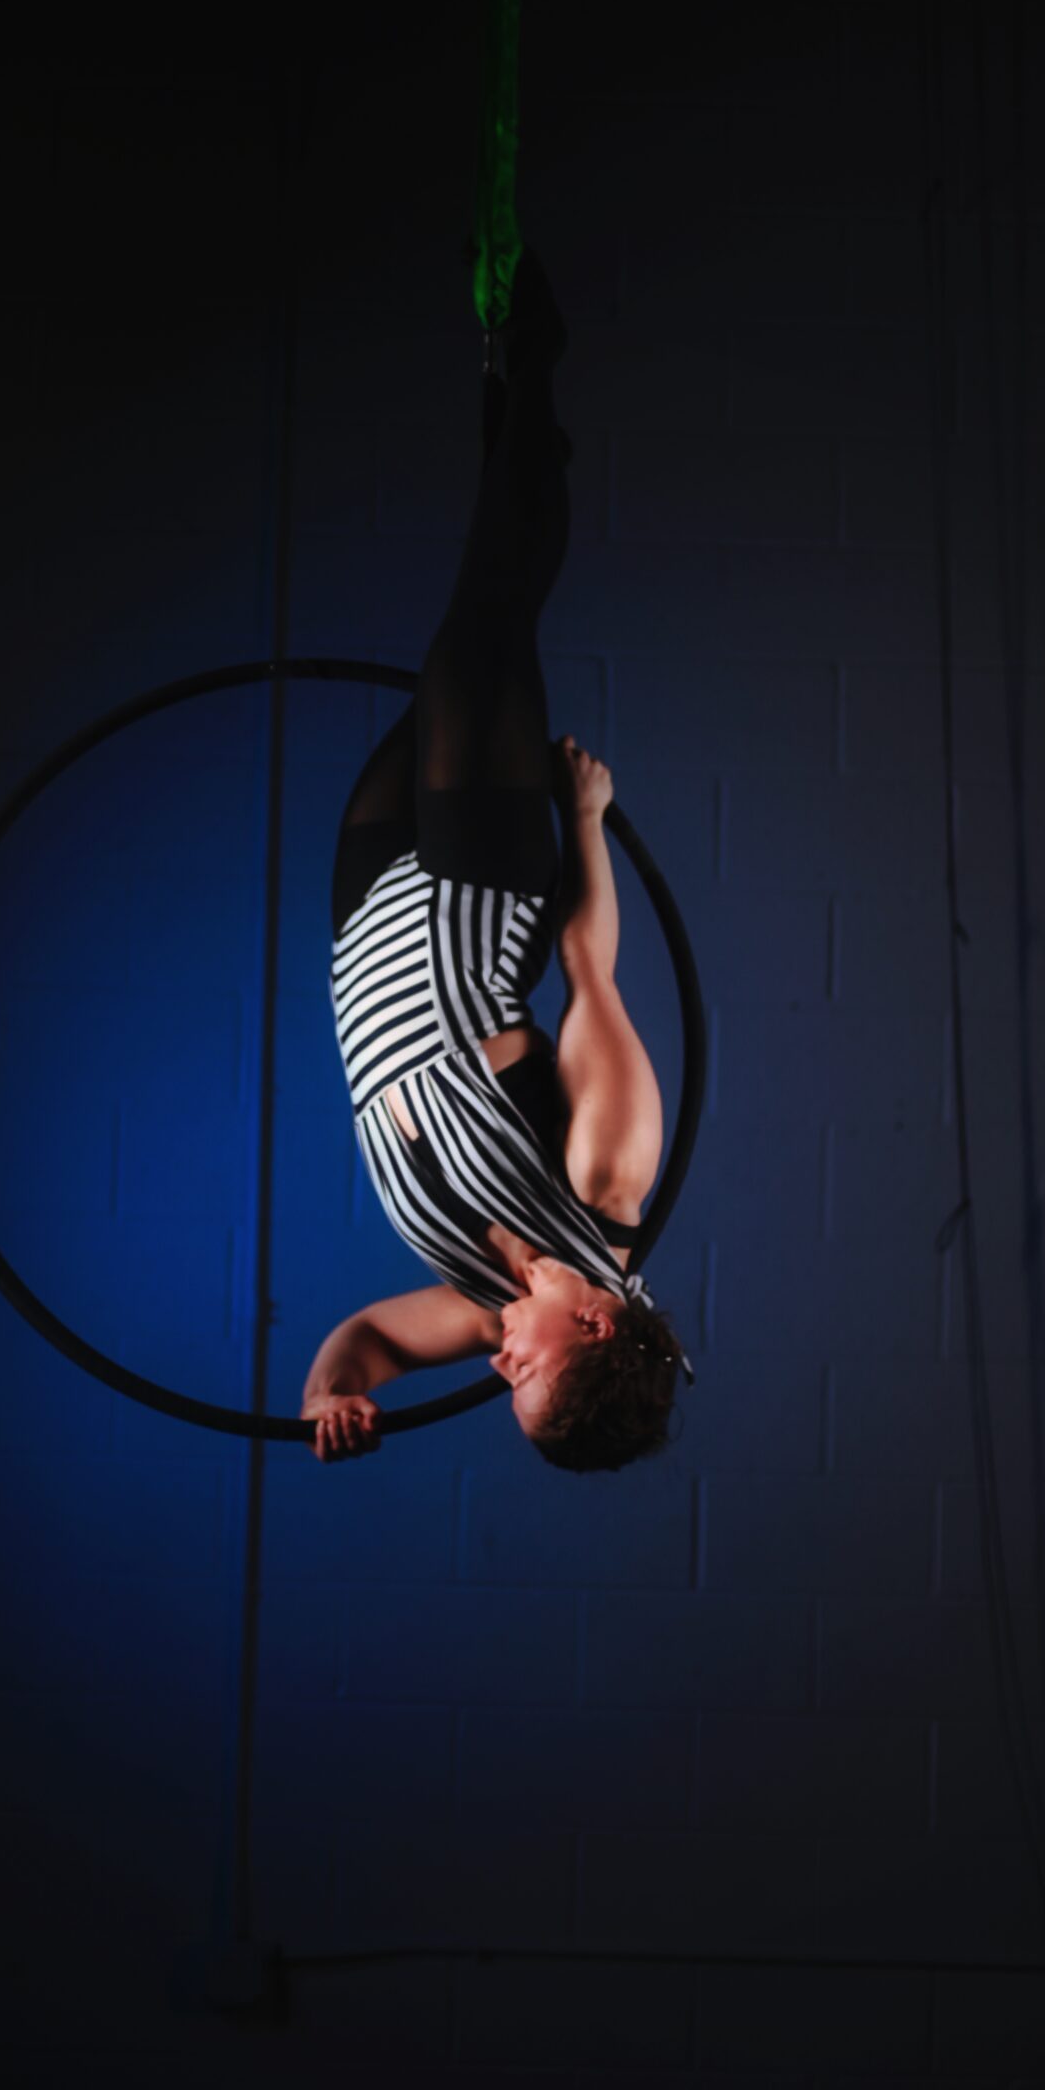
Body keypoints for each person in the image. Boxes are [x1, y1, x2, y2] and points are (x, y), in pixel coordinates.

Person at [302, 246, 693, 1472]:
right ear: (590, 1321)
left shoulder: (483, 1292)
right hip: (475, 890)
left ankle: (515, 422)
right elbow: (587, 975)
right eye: (524, 1371)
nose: (494, 1360)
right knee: (482, 618)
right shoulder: (607, 1176)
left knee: (480, 615)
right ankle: (530, 365)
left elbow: (361, 1336)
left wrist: (329, 1396)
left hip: (365, 919)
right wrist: (581, 816)